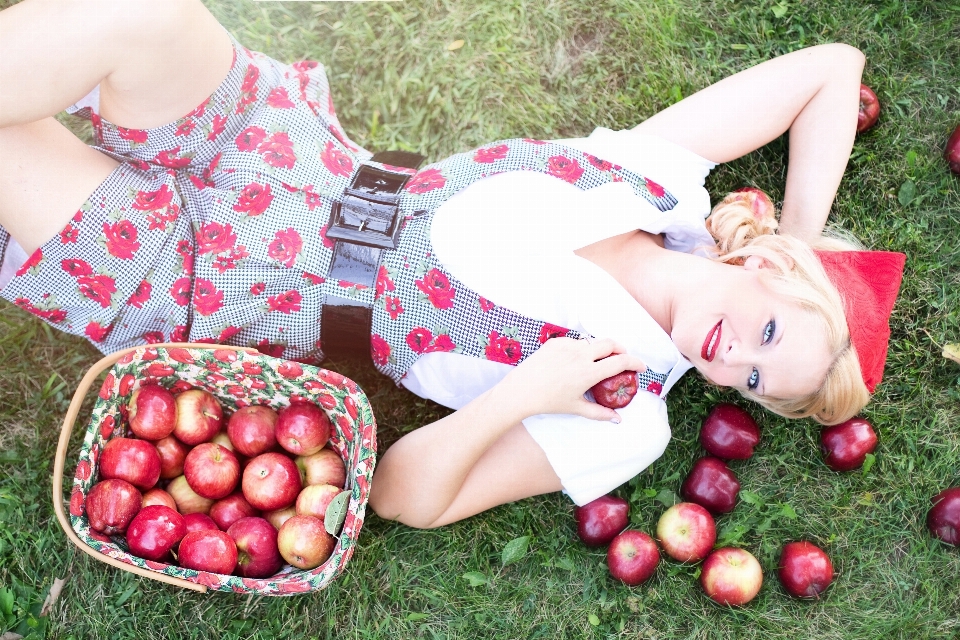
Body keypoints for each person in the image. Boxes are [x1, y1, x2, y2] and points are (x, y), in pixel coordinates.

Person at [0, 0, 903, 529]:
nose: (730, 355)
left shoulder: (624, 414)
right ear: (774, 270)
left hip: (216, 277)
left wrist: (526, 394)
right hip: (281, 147)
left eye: (748, 379)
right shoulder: (656, 180)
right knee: (141, 13)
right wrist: (807, 236)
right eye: (770, 331)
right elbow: (831, 68)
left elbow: (401, 498)